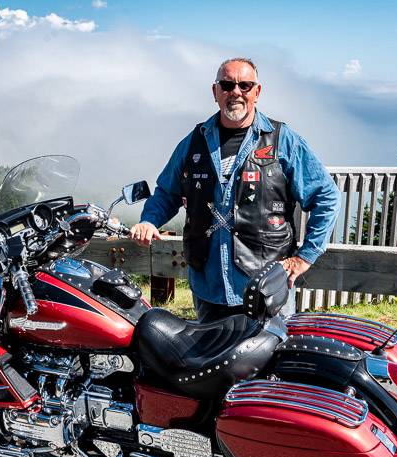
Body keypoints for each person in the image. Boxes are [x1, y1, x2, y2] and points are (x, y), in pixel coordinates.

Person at [131, 57, 340, 323]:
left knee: (271, 361)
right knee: (211, 363)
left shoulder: (282, 140)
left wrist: (305, 257)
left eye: (245, 85)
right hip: (208, 288)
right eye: (228, 85)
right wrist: (150, 221)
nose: (236, 92)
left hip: (266, 287)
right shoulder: (195, 141)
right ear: (215, 92)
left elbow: (326, 196)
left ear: (257, 92)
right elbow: (167, 192)